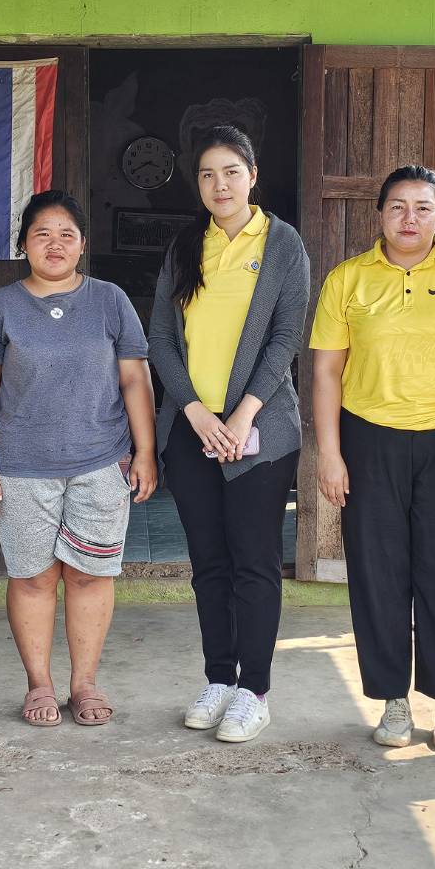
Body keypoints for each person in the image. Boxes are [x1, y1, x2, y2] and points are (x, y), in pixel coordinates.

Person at [0, 191, 157, 728]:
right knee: (32, 578)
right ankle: (40, 683)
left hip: (101, 461)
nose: (55, 244)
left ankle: (85, 683)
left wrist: (145, 452)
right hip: (21, 467)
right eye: (42, 234)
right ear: (23, 244)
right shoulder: (0, 307)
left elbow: (135, 378)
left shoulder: (110, 300)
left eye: (67, 234)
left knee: (91, 576)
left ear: (83, 245)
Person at [148, 125, 309, 745]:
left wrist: (241, 417)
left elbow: (285, 337)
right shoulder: (185, 245)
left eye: (231, 172)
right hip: (192, 429)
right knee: (209, 563)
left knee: (255, 562)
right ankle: (219, 677)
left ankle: (254, 689)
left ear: (253, 175)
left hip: (259, 430)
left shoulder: (282, 243)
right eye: (209, 175)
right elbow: (160, 337)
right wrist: (193, 412)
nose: (221, 185)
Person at [309, 165, 435, 751]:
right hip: (368, 436)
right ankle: (394, 701)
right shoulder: (349, 279)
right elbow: (327, 370)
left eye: (423, 208)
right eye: (398, 207)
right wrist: (329, 454)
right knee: (378, 574)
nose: (410, 219)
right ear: (378, 214)